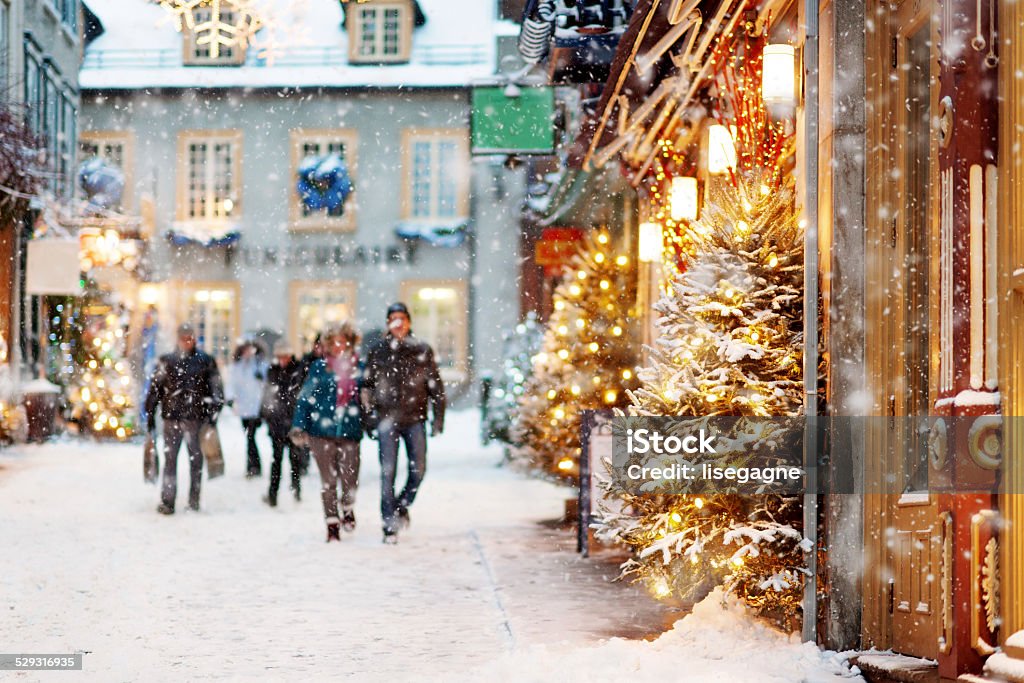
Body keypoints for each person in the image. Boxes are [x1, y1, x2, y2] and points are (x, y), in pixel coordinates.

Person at [363, 302, 446, 544]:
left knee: (418, 470)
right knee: (387, 472)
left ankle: (401, 506)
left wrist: (438, 418)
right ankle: (389, 524)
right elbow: (366, 386)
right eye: (393, 318)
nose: (398, 323)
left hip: (415, 418)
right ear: (388, 323)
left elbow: (435, 386)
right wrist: (369, 418)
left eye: (402, 318)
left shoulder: (421, 349)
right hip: (386, 419)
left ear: (409, 322)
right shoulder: (378, 350)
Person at [290, 323, 364, 542]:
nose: (339, 346)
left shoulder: (359, 367)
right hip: (320, 431)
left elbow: (370, 392)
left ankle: (348, 506)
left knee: (350, 478)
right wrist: (298, 425)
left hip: (350, 430)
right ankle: (332, 524)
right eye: (334, 342)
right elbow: (305, 398)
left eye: (343, 341)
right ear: (328, 345)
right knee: (328, 481)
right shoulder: (319, 368)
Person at [145, 323, 224, 515]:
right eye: (184, 338)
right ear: (178, 339)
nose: (187, 342)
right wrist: (150, 411)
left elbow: (216, 391)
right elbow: (156, 388)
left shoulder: (205, 361)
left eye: (190, 338)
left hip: (195, 419)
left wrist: (212, 414)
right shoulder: (167, 361)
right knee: (170, 460)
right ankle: (168, 501)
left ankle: (193, 501)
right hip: (172, 418)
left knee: (195, 461)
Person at [260, 341, 304, 506]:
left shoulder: (298, 370)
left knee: (295, 459)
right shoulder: (273, 370)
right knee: (276, 460)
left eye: (285, 356)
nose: (282, 359)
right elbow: (267, 393)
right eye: (280, 356)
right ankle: (273, 495)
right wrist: (264, 414)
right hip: (277, 422)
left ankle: (296, 489)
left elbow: (300, 395)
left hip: (293, 421)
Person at [227, 340, 268, 478]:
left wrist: (261, 379)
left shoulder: (259, 365)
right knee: (249, 437)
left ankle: (253, 466)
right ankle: (253, 465)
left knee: (251, 436)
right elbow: (232, 384)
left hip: (256, 407)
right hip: (244, 407)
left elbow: (267, 383)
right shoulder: (237, 367)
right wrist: (231, 398)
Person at [293, 334, 325, 476]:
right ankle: (304, 463)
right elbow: (300, 379)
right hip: (308, 402)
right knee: (306, 435)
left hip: (321, 404)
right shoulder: (307, 360)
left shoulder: (326, 363)